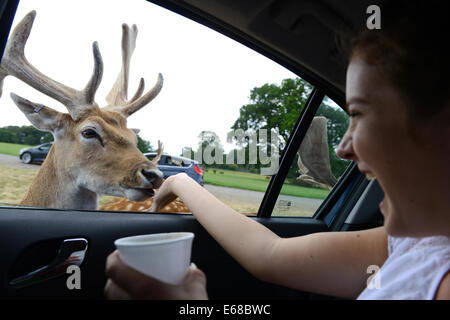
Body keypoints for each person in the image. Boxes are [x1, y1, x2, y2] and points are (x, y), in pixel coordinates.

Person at [104, 0, 450, 300]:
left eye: (357, 113)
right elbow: (269, 252)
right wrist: (181, 182)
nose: (343, 149)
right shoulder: (412, 244)